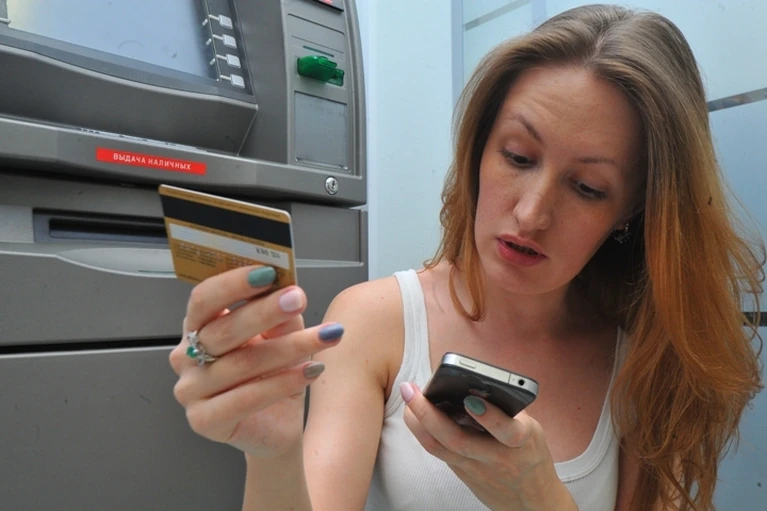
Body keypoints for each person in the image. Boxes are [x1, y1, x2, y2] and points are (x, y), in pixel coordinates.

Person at [169, 4, 764, 511]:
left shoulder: (645, 360)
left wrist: (543, 499)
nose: (531, 213)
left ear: (632, 211)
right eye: (518, 156)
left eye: (587, 188)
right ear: (478, 149)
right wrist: (273, 454)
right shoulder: (376, 322)